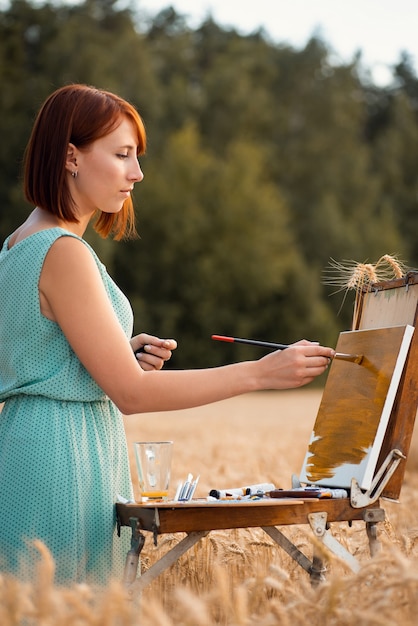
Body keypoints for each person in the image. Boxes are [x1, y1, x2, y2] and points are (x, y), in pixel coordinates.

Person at [0, 84, 335, 585]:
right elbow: (132, 395)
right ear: (71, 156)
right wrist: (260, 372)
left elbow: (34, 353)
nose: (136, 173)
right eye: (121, 155)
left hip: (26, 447)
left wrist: (115, 351)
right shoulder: (63, 251)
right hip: (64, 461)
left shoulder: (16, 245)